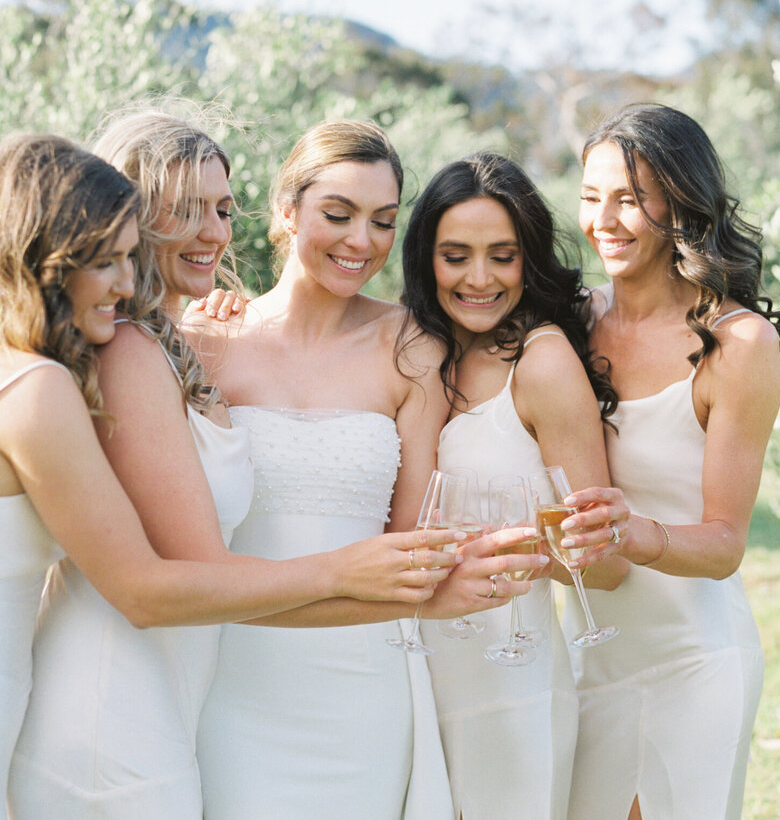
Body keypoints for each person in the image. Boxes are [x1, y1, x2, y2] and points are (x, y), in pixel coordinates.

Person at [5, 120, 487, 819]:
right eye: (187, 209)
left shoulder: (175, 343)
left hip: (256, 679)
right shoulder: (157, 346)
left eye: (222, 209)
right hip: (172, 688)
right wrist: (362, 577)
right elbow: (167, 579)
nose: (212, 231)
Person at [186, 120, 538, 820]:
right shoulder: (207, 340)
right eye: (338, 214)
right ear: (287, 211)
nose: (361, 242)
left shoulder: (412, 348)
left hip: (364, 679)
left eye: (382, 221)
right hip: (231, 674)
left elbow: (413, 544)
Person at [561, 102, 780, 820]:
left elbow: (725, 542)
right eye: (592, 197)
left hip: (695, 658)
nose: (604, 220)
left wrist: (634, 533)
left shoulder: (738, 344)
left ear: (682, 204)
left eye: (630, 200)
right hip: (580, 657)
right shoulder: (564, 320)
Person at [399, 151, 627, 820]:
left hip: (506, 678)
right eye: (455, 254)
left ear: (529, 258)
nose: (479, 278)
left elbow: (604, 567)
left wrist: (522, 547)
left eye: (502, 255)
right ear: (424, 258)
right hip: (413, 666)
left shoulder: (544, 360)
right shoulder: (416, 343)